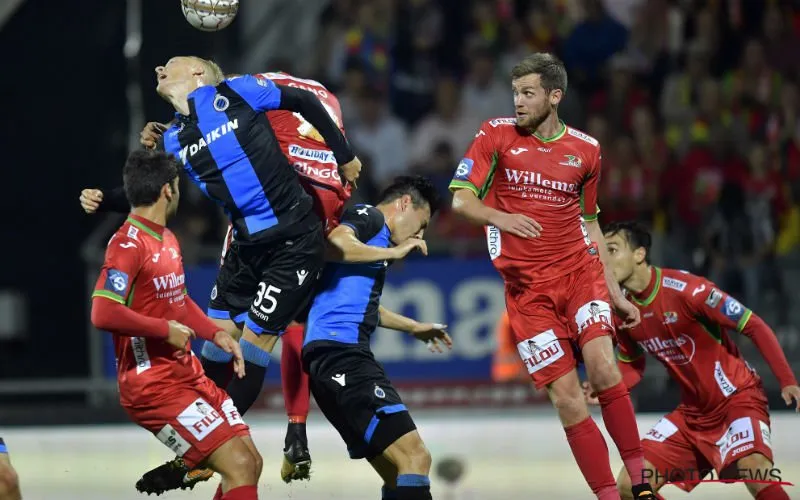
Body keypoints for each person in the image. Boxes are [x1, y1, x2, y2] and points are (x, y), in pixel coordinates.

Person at [448, 52, 654, 500]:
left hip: (579, 274)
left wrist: (616, 293)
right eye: (515, 93)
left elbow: (591, 223)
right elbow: (461, 200)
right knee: (567, 399)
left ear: (554, 96)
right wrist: (501, 217)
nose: (518, 102)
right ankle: (607, 494)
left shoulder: (587, 149)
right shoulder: (495, 134)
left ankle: (640, 480)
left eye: (528, 93)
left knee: (603, 367)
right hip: (528, 293)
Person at [90, 149, 260, 500]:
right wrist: (164, 330)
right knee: (239, 464)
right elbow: (102, 312)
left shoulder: (167, 238)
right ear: (168, 189)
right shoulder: (127, 244)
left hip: (186, 374)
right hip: (152, 386)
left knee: (250, 462)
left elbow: (178, 302)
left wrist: (215, 333)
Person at [586, 221, 799, 500]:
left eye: (612, 249)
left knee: (756, 472)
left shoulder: (688, 290)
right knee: (630, 486)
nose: (604, 258)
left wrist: (787, 380)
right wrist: (608, 386)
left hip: (737, 400)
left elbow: (753, 325)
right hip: (692, 415)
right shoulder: (623, 311)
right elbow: (633, 364)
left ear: (639, 254)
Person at [303, 175, 451, 500]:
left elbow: (363, 306)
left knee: (398, 474)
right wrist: (395, 252)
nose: (420, 235)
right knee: (416, 457)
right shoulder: (369, 217)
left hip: (328, 361)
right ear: (405, 203)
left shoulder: (376, 246)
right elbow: (335, 245)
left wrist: (413, 327)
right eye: (422, 224)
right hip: (342, 356)